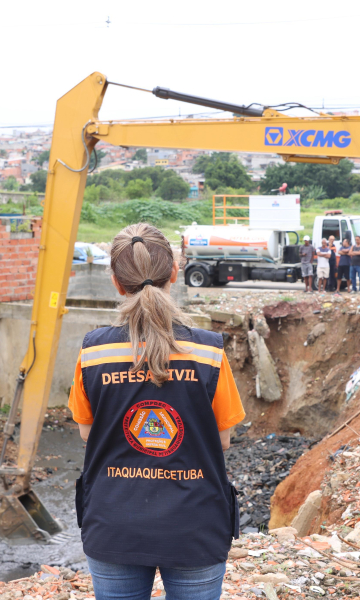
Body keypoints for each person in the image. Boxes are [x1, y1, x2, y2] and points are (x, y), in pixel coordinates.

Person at [68, 223, 246, 600]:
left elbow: (87, 433)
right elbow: (224, 439)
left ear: (116, 283)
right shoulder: (209, 353)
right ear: (175, 274)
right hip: (194, 524)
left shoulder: (93, 352)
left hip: (114, 523)